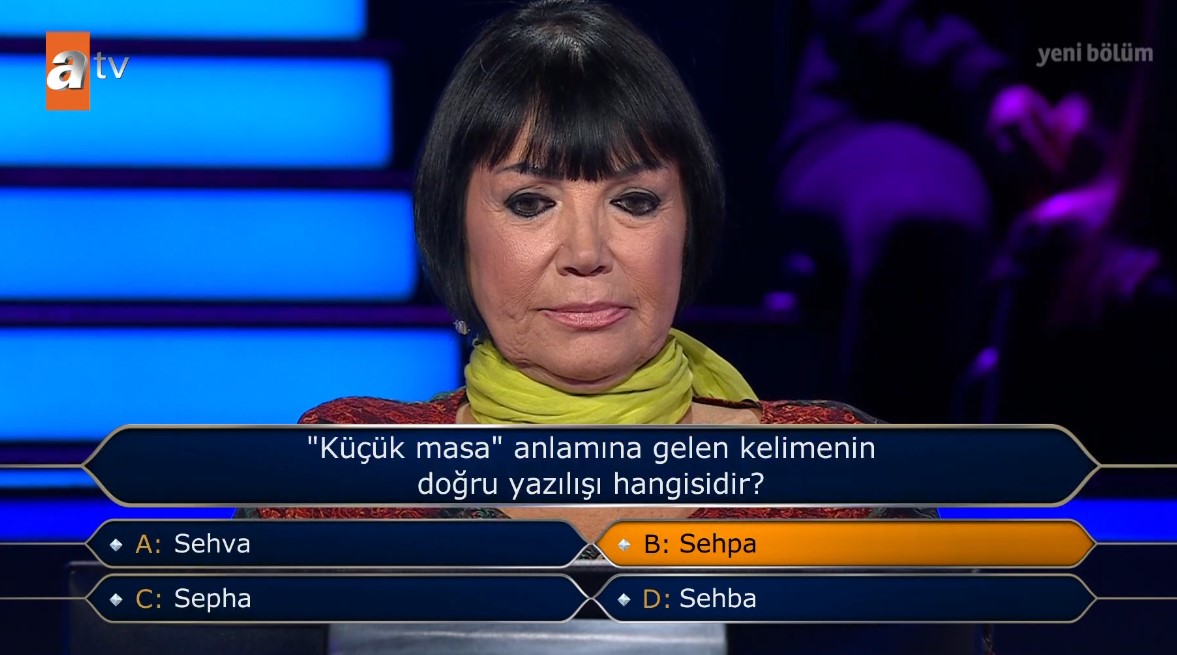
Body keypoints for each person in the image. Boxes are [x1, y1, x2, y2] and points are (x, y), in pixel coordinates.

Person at [244, 0, 934, 537]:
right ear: (454, 231)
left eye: (633, 201)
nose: (585, 253)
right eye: (530, 202)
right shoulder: (339, 485)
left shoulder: (843, 484)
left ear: (688, 225)